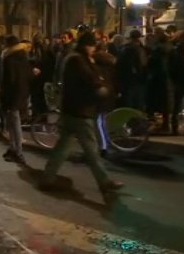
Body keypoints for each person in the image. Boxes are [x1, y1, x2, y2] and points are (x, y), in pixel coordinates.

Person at [40, 32, 124, 198]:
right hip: (81, 111)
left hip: (72, 110)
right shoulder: (79, 60)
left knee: (62, 148)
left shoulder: (74, 58)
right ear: (87, 45)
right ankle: (104, 181)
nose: (94, 49)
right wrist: (102, 88)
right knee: (91, 150)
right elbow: (90, 80)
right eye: (92, 46)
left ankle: (47, 178)